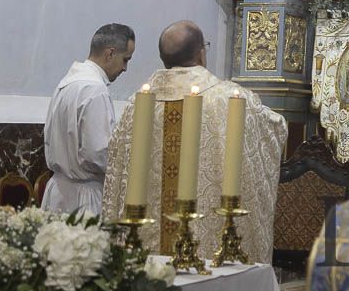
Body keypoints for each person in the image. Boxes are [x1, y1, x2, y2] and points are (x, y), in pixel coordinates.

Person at [102, 21, 288, 263]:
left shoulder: (136, 104)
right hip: (208, 250)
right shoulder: (230, 100)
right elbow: (275, 129)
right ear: (201, 53)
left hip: (145, 251)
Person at [42, 23, 135, 216]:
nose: (125, 68)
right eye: (125, 59)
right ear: (110, 54)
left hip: (58, 192)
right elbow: (98, 153)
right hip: (84, 200)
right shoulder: (95, 90)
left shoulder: (67, 83)